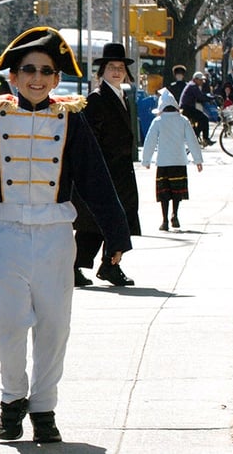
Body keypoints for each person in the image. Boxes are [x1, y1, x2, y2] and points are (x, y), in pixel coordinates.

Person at [0, 26, 132, 444]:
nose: (37, 78)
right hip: (8, 233)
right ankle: (12, 401)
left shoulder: (72, 117)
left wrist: (117, 236)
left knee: (53, 326)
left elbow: (96, 179)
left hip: (55, 235)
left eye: (46, 71)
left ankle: (43, 408)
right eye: (28, 69)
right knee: (9, 322)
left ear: (56, 78)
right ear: (13, 77)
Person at [72, 42, 140, 288]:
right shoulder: (98, 98)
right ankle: (91, 266)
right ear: (102, 71)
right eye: (111, 67)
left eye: (120, 67)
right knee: (97, 222)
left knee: (109, 221)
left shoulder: (122, 96)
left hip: (120, 171)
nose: (116, 71)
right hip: (105, 171)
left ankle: (108, 265)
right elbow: (92, 138)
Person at [141, 89, 204, 231]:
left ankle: (164, 221)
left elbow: (149, 141)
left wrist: (146, 160)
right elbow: (192, 140)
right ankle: (175, 215)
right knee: (177, 192)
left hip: (163, 162)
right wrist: (198, 160)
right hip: (179, 161)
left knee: (164, 193)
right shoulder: (183, 120)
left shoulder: (158, 121)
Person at [180, 71, 215, 146]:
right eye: (201, 80)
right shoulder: (193, 86)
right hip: (187, 108)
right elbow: (200, 96)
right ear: (196, 79)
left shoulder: (192, 85)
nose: (202, 81)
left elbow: (199, 98)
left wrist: (208, 99)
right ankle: (200, 137)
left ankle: (198, 136)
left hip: (187, 108)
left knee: (201, 119)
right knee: (204, 118)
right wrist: (212, 98)